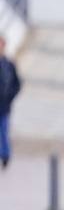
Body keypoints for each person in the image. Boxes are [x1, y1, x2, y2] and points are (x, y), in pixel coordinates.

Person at [0, 34, 20, 169]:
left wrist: (9, 97)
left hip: (4, 105)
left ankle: (5, 155)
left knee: (4, 131)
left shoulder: (9, 64)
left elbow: (17, 83)